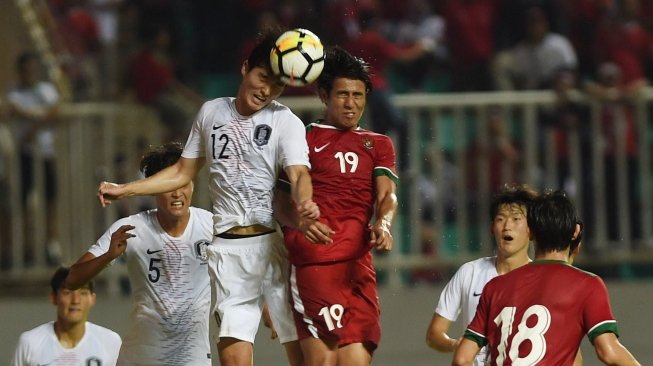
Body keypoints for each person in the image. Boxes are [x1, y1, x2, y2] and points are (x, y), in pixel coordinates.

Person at [95, 28, 318, 366]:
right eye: (262, 77)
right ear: (245, 68)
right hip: (228, 252)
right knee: (233, 360)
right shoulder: (212, 112)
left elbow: (300, 173)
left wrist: (305, 202)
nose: (266, 90)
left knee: (301, 356)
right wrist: (126, 188)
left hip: (273, 247)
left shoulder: (285, 121)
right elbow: (183, 171)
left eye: (277, 85)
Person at [273, 46, 399, 366]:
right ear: (324, 95)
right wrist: (299, 223)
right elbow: (277, 200)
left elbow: (387, 195)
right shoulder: (303, 139)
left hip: (358, 266)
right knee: (323, 362)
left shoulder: (379, 144)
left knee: (356, 362)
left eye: (358, 95)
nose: (351, 103)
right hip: (317, 262)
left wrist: (383, 224)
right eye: (342, 94)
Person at [66, 141, 214, 365]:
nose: (177, 193)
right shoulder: (131, 228)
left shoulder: (212, 226)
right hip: (142, 357)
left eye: (183, 184)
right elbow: (72, 279)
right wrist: (108, 256)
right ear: (152, 189)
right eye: (166, 186)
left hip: (192, 359)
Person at [453, 190, 642, 365]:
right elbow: (609, 352)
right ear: (575, 232)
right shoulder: (587, 285)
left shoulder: (495, 286)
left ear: (531, 232)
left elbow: (462, 359)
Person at [426, 183, 537, 366]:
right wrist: (456, 345)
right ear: (491, 228)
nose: (507, 226)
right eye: (501, 219)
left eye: (516, 219)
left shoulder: (541, 279)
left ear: (531, 231)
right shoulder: (470, 272)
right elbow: (434, 334)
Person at [5, 51, 61, 266]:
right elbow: (10, 109)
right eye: (25, 68)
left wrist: (33, 126)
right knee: (21, 202)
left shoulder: (46, 90)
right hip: (25, 155)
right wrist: (37, 117)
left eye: (32, 68)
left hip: (45, 153)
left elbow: (56, 112)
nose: (29, 72)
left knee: (50, 200)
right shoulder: (14, 91)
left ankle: (51, 246)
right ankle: (23, 248)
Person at [11, 266, 121, 366]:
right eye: (67, 292)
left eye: (83, 292)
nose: (76, 300)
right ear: (54, 298)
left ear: (92, 299)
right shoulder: (30, 343)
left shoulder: (110, 342)